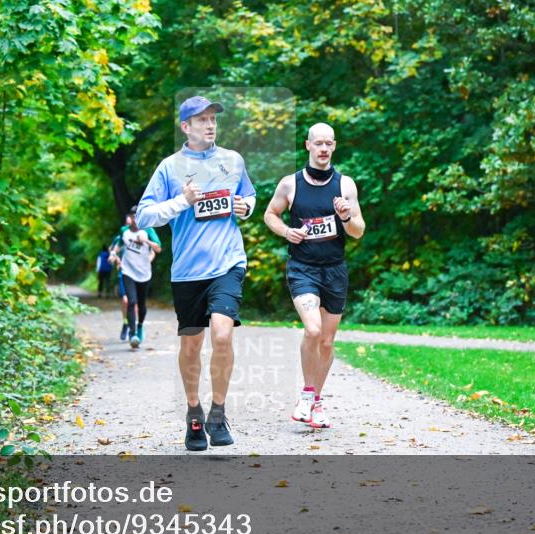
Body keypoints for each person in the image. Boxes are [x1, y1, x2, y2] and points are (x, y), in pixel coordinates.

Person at [136, 96, 256, 451]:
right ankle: (194, 412)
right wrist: (182, 202)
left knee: (222, 335)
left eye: (213, 119)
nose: (210, 125)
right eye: (201, 119)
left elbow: (249, 196)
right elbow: (144, 216)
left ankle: (218, 413)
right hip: (188, 272)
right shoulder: (170, 167)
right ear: (185, 126)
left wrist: (244, 207)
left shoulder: (233, 161)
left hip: (227, 263)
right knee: (191, 344)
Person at [263, 123, 364, 429]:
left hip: (335, 269)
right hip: (302, 268)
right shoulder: (290, 184)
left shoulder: (345, 185)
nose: (323, 149)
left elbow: (358, 232)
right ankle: (307, 395)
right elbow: (270, 215)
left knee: (328, 342)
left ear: (334, 146)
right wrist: (286, 231)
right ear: (307, 145)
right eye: (318, 143)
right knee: (313, 329)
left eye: (328, 144)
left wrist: (346, 216)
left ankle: (316, 402)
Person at [110, 208, 162, 344]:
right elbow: (119, 244)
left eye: (138, 217)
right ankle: (133, 335)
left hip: (144, 273)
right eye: (133, 217)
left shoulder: (148, 230)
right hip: (128, 271)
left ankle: (139, 326)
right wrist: (113, 254)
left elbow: (158, 248)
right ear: (130, 218)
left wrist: (147, 241)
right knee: (131, 302)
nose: (135, 220)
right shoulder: (124, 231)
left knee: (141, 303)